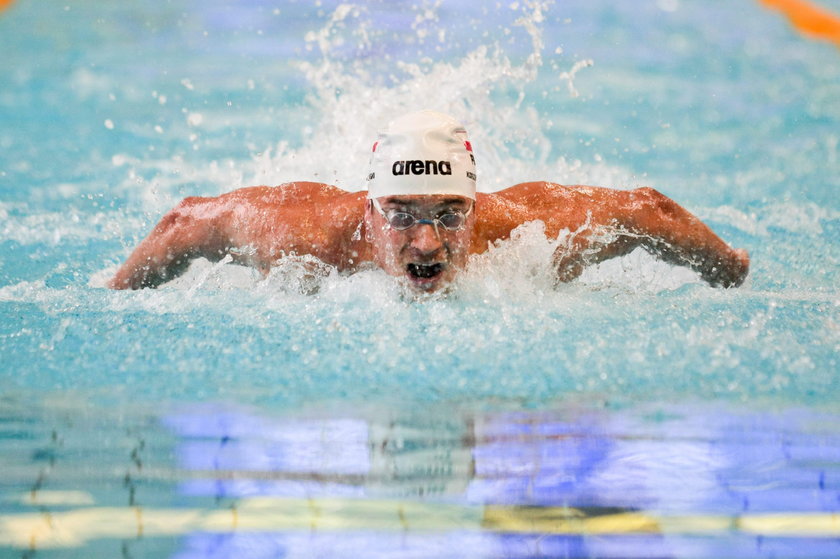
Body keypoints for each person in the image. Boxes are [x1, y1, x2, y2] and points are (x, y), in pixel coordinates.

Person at [108, 110, 749, 292]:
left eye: (449, 213)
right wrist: (117, 298)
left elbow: (647, 210)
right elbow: (183, 222)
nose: (427, 242)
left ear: (476, 205)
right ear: (368, 206)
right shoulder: (298, 235)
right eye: (403, 214)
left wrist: (729, 270)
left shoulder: (526, 234)